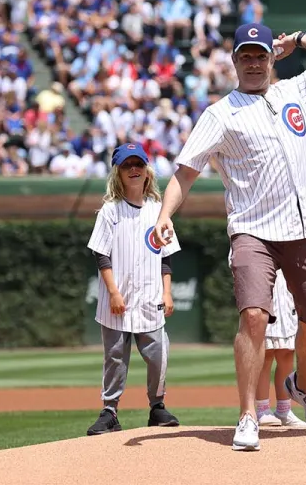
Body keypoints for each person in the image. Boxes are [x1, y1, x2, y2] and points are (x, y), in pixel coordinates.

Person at [153, 23, 306, 451]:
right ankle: (248, 415)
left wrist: (298, 40)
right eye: (245, 54)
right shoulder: (220, 113)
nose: (253, 61)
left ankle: (302, 383)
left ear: (271, 58)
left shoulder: (295, 91)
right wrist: (164, 214)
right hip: (253, 230)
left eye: (260, 54)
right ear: (233, 61)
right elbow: (185, 171)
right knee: (253, 317)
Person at [85, 142, 182, 436]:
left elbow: (165, 258)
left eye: (138, 164)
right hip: (117, 299)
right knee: (115, 357)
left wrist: (167, 291)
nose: (134, 169)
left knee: (158, 354)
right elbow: (101, 254)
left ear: (148, 171)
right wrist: (113, 292)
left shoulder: (158, 211)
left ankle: (157, 406)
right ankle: (110, 411)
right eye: (127, 165)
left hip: (151, 297)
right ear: (118, 172)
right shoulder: (110, 211)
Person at [227, 249, 306, 429]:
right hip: (264, 300)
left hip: (287, 301)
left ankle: (284, 409)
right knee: (265, 355)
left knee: (287, 353)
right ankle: (262, 409)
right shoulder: (248, 237)